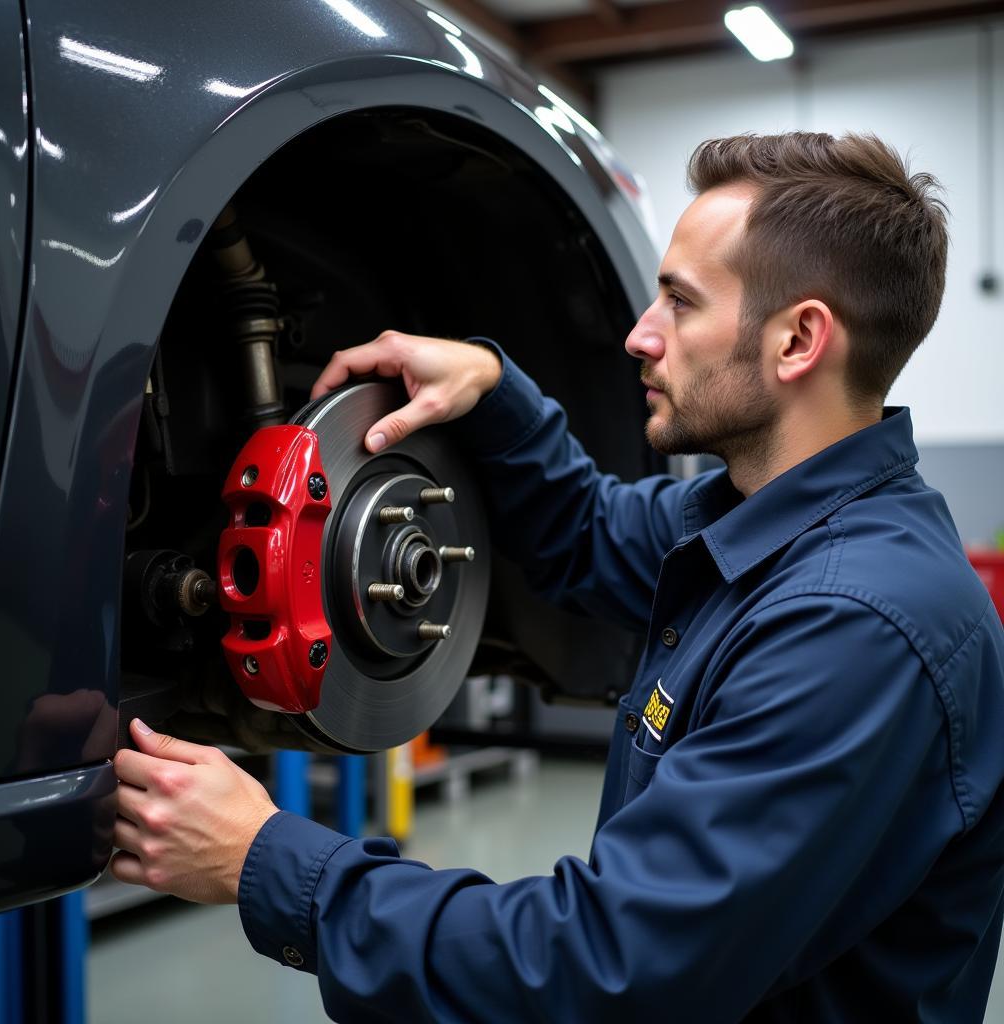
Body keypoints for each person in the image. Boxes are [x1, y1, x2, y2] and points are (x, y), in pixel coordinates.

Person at [110, 132, 1004, 1022]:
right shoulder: (753, 521)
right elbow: (585, 531)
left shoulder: (854, 628)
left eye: (680, 303)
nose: (639, 335)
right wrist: (494, 386)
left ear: (799, 339)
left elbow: (604, 967)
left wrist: (264, 860)